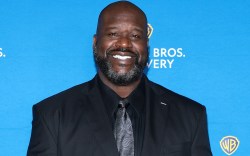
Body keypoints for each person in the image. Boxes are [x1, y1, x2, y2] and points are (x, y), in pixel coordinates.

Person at [27, 1, 212, 156]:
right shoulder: (52, 115)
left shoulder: (191, 116)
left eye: (135, 35)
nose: (124, 43)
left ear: (146, 46)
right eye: (113, 34)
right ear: (95, 43)